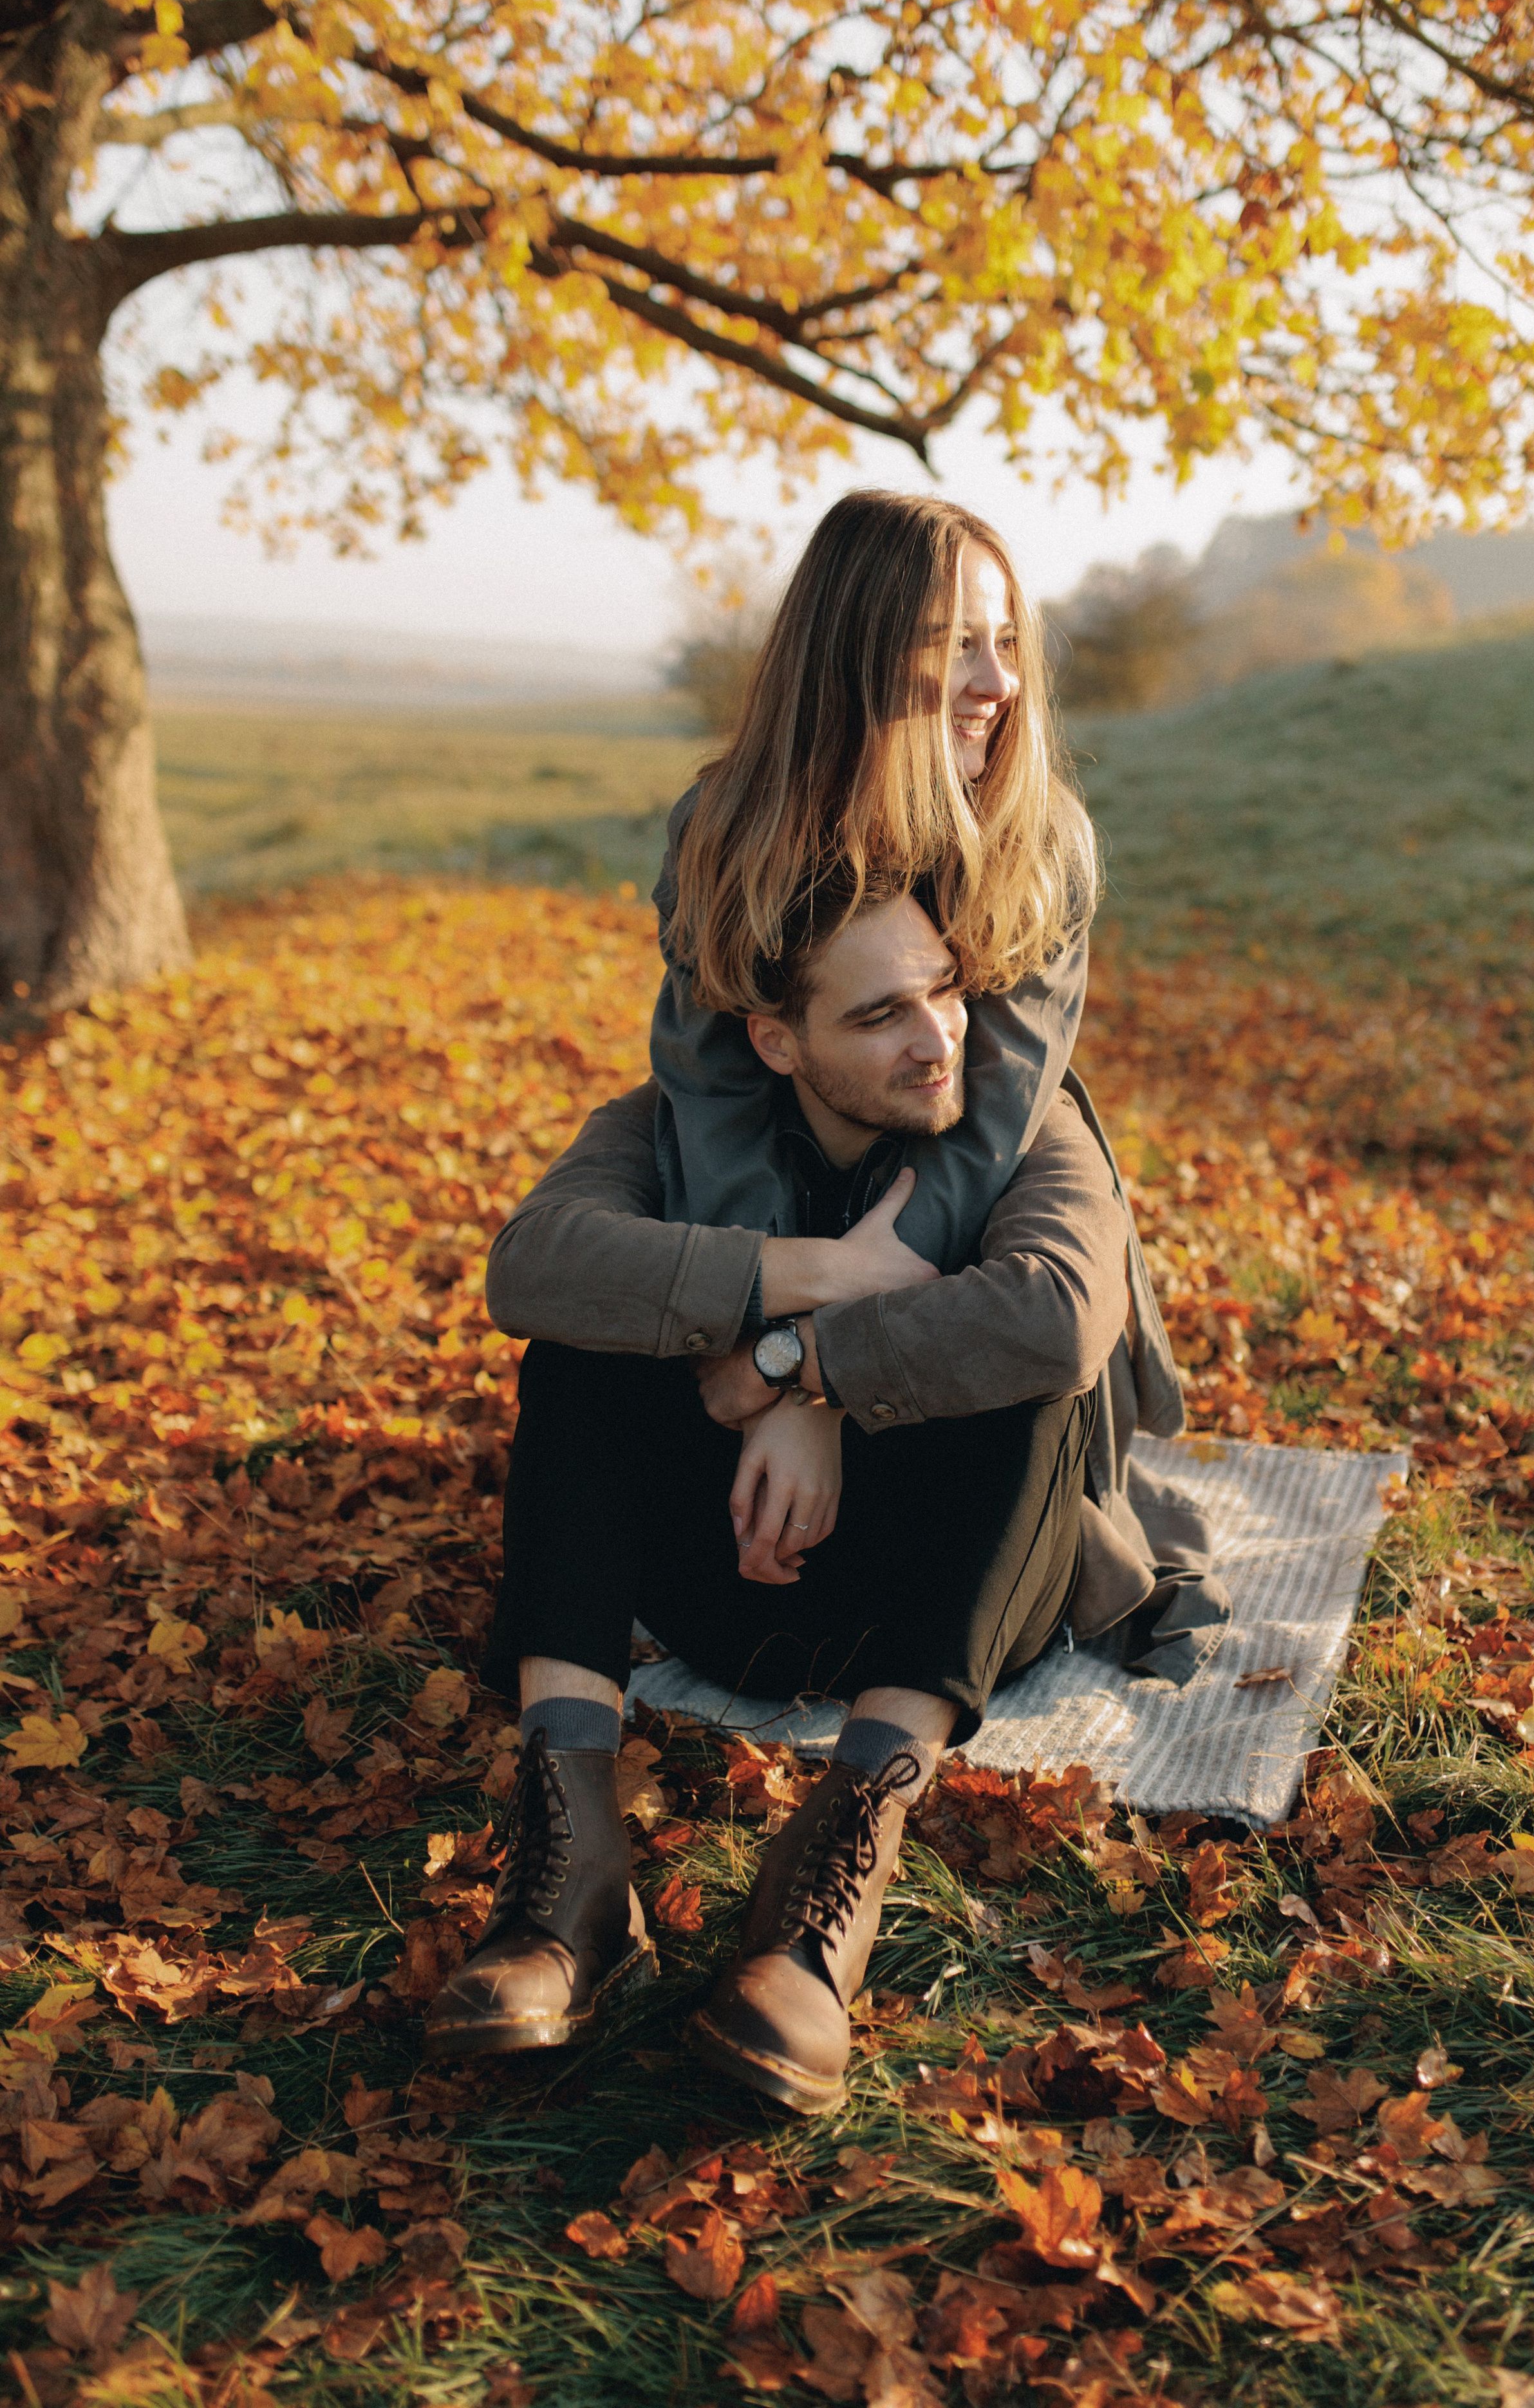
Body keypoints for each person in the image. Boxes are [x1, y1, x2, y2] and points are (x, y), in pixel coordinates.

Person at [425, 881, 1211, 2114]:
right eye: (882, 1014)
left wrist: (804, 1373)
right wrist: (816, 1273)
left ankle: (836, 1874)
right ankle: (570, 1873)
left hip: (941, 1598)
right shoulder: (670, 1129)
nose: (940, 1036)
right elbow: (531, 1264)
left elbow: (1060, 1316)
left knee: (1026, 1372)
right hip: (733, 1579)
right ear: (778, 1042)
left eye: (946, 990)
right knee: (582, 1347)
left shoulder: (1026, 1126)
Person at [651, 489, 1098, 1280]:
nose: (999, 683)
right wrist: (764, 1298)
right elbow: (712, 1087)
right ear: (855, 655)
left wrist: (842, 1327)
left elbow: (997, 1113)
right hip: (765, 1238)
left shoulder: (1038, 844)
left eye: (1005, 643)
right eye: (956, 644)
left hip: (969, 1259)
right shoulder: (721, 834)